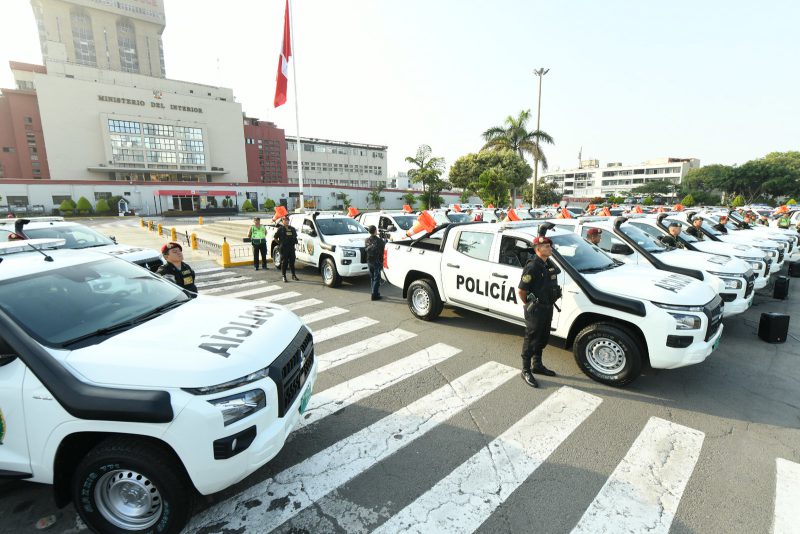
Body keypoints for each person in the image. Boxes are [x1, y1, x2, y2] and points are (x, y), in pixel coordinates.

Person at [517, 236, 562, 388]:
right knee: (531, 338)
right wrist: (531, 305)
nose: (550, 248)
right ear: (537, 249)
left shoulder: (547, 263)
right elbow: (522, 291)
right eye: (546, 246)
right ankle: (525, 370)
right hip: (536, 309)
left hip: (547, 307)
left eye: (550, 245)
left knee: (542, 337)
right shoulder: (532, 266)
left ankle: (537, 365)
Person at [364, 225, 386, 301]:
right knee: (377, 278)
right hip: (377, 261)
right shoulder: (379, 241)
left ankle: (374, 293)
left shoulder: (367, 240)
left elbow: (366, 249)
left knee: (372, 277)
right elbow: (384, 249)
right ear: (375, 231)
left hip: (369, 260)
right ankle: (374, 294)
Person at [274, 216, 298, 282]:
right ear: (282, 221)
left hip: (291, 248)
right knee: (284, 263)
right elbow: (275, 237)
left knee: (292, 262)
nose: (286, 221)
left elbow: (295, 237)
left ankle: (293, 275)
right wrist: (280, 243)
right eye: (285, 220)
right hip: (284, 248)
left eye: (287, 220)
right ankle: (284, 276)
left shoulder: (292, 229)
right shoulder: (280, 229)